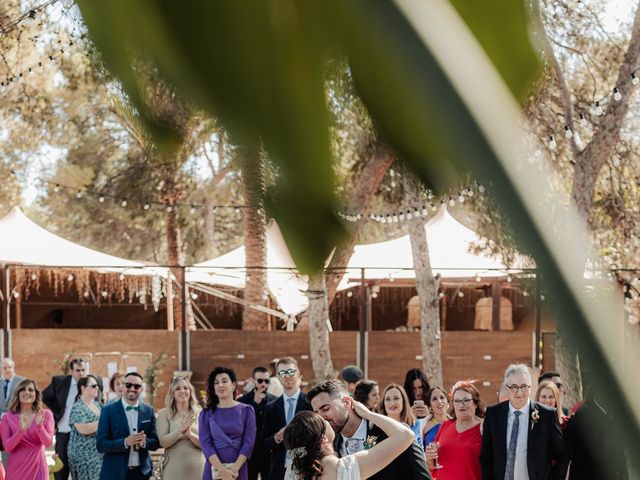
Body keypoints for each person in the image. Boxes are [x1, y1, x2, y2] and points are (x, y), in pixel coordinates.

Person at [307, 379, 432, 480]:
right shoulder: (330, 447)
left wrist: (368, 414)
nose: (321, 418)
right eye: (317, 413)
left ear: (346, 402)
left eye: (325, 409)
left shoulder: (393, 433)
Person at [283, 398, 415, 480]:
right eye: (323, 421)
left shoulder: (291, 473)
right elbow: (405, 435)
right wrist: (368, 414)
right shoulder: (347, 468)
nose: (326, 418)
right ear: (323, 438)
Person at [481, 364, 569, 480]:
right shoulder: (493, 415)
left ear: (530, 387)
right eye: (514, 387)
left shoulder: (546, 415)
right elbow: (486, 457)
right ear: (507, 388)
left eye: (523, 386)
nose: (519, 392)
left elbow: (562, 457)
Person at [43, 358, 100, 480]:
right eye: (77, 370)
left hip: (85, 437)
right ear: (71, 371)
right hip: (64, 432)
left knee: (81, 470)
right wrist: (57, 412)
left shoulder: (92, 384)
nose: (81, 373)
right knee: (61, 469)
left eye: (83, 370)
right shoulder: (60, 382)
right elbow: (45, 396)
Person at [96, 371, 159, 480]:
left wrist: (144, 442)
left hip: (141, 473)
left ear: (141, 389)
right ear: (123, 386)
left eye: (137, 386)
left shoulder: (149, 411)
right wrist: (125, 442)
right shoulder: (108, 411)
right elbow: (101, 445)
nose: (132, 388)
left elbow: (155, 442)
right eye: (128, 385)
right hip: (114, 473)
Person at [199, 367, 256, 480]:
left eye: (224, 381)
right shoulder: (206, 413)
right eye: (216, 382)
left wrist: (234, 469)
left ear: (233, 385)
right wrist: (221, 470)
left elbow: (248, 443)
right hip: (213, 470)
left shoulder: (247, 410)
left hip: (238, 470)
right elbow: (206, 444)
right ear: (213, 388)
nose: (220, 385)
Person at [263, 357, 313, 480]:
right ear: (278, 377)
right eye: (283, 373)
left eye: (291, 371)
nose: (287, 376)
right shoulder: (271, 407)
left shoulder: (311, 403)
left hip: (307, 468)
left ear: (298, 374)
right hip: (279, 470)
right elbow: (264, 442)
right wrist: (277, 437)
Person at [425, 381, 484, 479]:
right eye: (456, 401)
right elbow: (433, 467)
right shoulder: (446, 425)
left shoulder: (484, 427)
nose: (461, 405)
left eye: (466, 400)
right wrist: (430, 459)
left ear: (475, 403)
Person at [0, 378, 55, 480]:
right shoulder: (7, 417)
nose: (27, 392)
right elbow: (7, 447)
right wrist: (20, 431)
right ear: (18, 393)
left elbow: (48, 443)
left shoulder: (46, 414)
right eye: (23, 389)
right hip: (16, 470)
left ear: (36, 394)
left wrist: (40, 427)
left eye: (30, 390)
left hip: (38, 467)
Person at [157, 376, 204, 480]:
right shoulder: (164, 414)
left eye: (186, 388)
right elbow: (163, 442)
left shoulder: (200, 412)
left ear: (190, 391)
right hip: (173, 471)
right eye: (177, 388)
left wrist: (190, 435)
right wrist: (180, 431)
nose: (182, 391)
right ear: (172, 393)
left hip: (199, 471)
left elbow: (206, 444)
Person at [238, 366, 276, 480]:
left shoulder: (276, 401)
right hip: (249, 455)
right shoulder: (242, 401)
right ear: (253, 381)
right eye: (260, 381)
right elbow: (240, 425)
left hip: (269, 454)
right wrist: (254, 404)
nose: (263, 384)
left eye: (266, 381)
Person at [68, 375, 103, 480]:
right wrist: (104, 422)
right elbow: (84, 429)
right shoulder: (77, 407)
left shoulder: (99, 405)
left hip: (99, 454)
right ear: (82, 388)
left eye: (97, 385)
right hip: (83, 457)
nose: (96, 388)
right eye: (93, 385)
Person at [379, 383, 425, 450]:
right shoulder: (376, 425)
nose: (392, 403)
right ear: (384, 403)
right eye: (388, 399)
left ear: (403, 401)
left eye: (396, 398)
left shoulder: (414, 424)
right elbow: (367, 448)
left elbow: (420, 451)